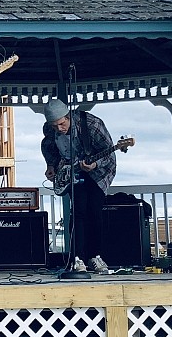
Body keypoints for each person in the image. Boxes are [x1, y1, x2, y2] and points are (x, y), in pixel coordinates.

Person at [41, 98, 116, 274]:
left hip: (98, 172)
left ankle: (95, 256)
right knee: (79, 212)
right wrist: (51, 165)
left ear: (69, 117)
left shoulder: (92, 124)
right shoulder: (50, 129)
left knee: (94, 211)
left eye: (61, 124)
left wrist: (94, 165)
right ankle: (77, 258)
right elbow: (47, 146)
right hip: (71, 171)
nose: (59, 129)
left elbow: (110, 152)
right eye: (54, 126)